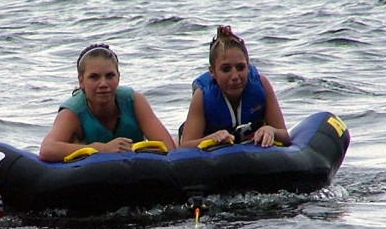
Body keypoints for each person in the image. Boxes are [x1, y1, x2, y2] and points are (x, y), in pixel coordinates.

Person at [39, 43, 176, 162]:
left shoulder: (134, 101)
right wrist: (102, 148)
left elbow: (168, 146)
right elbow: (47, 149)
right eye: (94, 77)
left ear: (118, 77)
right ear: (81, 81)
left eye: (110, 76)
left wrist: (133, 150)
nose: (103, 84)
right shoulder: (72, 112)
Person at [179, 25, 290, 149]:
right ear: (212, 72)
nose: (235, 76)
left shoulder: (262, 84)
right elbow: (185, 145)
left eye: (240, 67)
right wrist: (211, 138)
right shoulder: (202, 95)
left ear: (248, 67)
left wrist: (271, 131)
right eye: (226, 69)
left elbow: (284, 135)